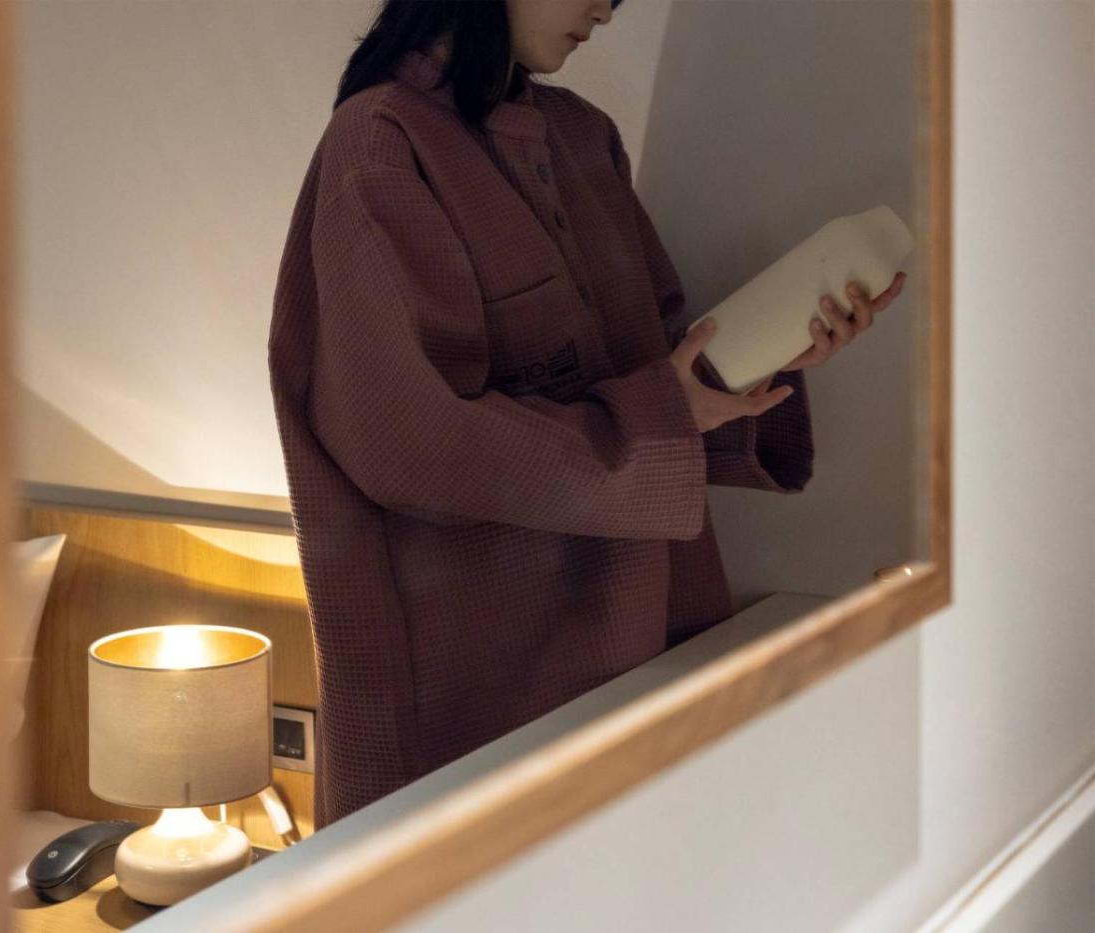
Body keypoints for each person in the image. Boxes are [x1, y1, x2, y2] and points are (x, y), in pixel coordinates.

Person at [268, 0, 904, 829]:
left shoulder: (582, 137)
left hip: (647, 654)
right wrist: (665, 411)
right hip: (477, 712)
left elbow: (657, 369)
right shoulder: (380, 144)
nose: (607, 7)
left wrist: (772, 352)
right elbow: (411, 440)